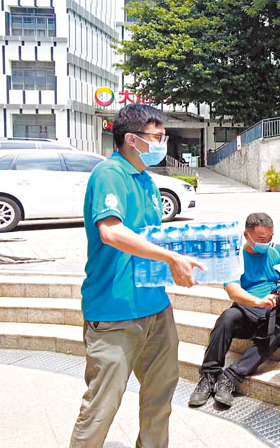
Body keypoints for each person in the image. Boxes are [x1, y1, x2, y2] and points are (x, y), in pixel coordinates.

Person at [70, 103, 204, 448]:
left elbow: (149, 239)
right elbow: (111, 232)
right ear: (131, 138)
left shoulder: (145, 180)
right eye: (157, 137)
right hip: (114, 311)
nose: (163, 142)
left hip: (155, 306)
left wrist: (183, 257)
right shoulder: (109, 174)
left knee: (160, 397)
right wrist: (171, 257)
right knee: (102, 406)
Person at [188, 212, 280, 408]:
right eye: (262, 238)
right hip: (248, 310)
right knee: (227, 317)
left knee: (277, 331)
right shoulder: (234, 258)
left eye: (270, 237)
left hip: (273, 313)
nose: (267, 242)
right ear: (247, 235)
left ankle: (229, 378)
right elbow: (233, 291)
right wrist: (258, 301)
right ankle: (209, 376)